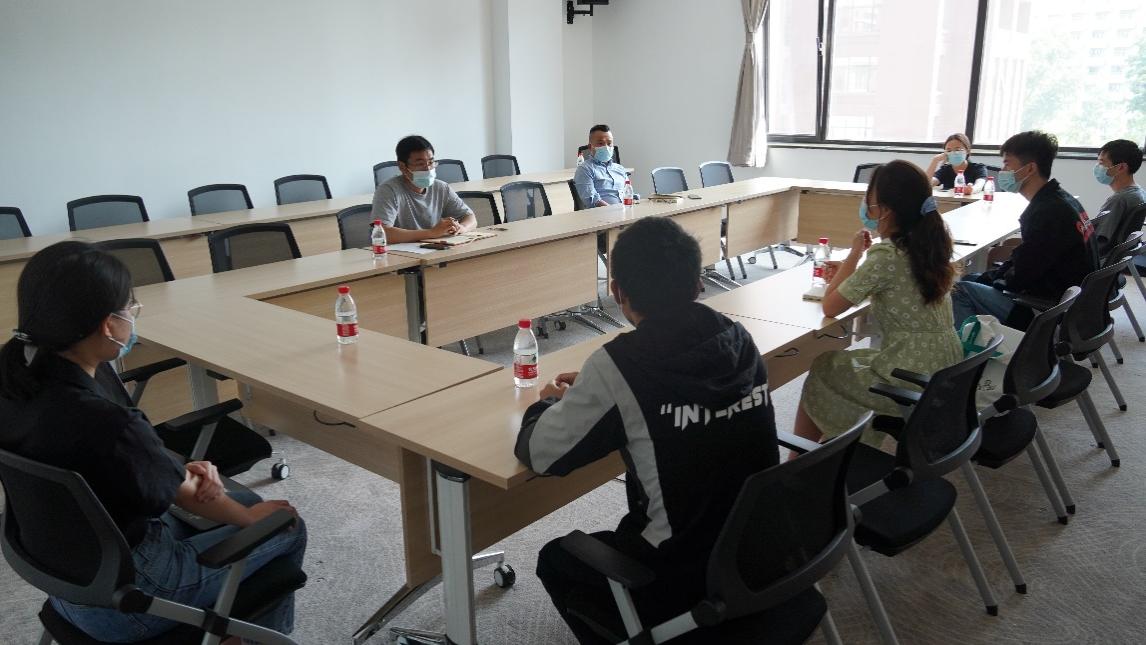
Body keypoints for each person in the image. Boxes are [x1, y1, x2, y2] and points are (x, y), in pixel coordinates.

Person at [0, 242, 306, 643]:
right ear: (108, 325)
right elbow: (186, 494)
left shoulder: (15, 376)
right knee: (284, 523)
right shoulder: (105, 420)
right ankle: (252, 638)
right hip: (131, 602)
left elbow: (123, 462)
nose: (133, 316)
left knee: (240, 502)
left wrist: (162, 465)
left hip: (65, 580)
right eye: (130, 308)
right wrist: (252, 520)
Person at [515, 217, 778, 644]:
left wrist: (546, 403)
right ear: (697, 283)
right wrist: (599, 390)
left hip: (682, 571)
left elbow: (542, 454)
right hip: (763, 547)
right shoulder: (737, 336)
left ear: (617, 292)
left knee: (557, 560)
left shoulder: (620, 365)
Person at [794, 160, 962, 448]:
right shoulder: (927, 244)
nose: (865, 208)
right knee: (849, 363)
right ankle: (839, 446)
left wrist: (853, 254)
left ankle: (800, 461)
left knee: (824, 368)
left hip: (910, 373)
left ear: (886, 210)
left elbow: (830, 306)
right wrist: (853, 268)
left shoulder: (886, 255)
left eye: (869, 201)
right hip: (943, 365)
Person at [951, 130, 1098, 329]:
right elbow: (1025, 258)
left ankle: (973, 348)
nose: (1003, 170)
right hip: (1070, 298)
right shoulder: (1061, 199)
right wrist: (994, 276)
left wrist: (996, 278)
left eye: (1007, 164)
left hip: (1046, 310)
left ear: (1029, 169)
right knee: (972, 278)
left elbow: (1021, 275)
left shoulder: (1046, 213)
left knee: (960, 291)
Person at [372, 134, 477, 242]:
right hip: (400, 251)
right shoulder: (388, 190)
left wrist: (462, 228)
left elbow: (470, 217)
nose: (427, 169)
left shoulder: (441, 187)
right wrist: (431, 233)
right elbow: (382, 232)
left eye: (431, 162)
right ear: (402, 167)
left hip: (435, 247)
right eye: (420, 164)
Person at [1091, 139, 1146, 259]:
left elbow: (1098, 243)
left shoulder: (1119, 200)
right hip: (1119, 261)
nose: (1097, 167)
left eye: (1101, 163)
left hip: (1099, 261)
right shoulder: (1140, 193)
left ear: (1121, 167)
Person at [574, 124, 629, 208]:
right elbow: (592, 200)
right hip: (604, 214)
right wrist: (615, 211)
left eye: (609, 143)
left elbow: (629, 193)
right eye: (600, 143)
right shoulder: (585, 169)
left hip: (625, 211)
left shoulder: (620, 169)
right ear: (590, 147)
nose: (606, 147)